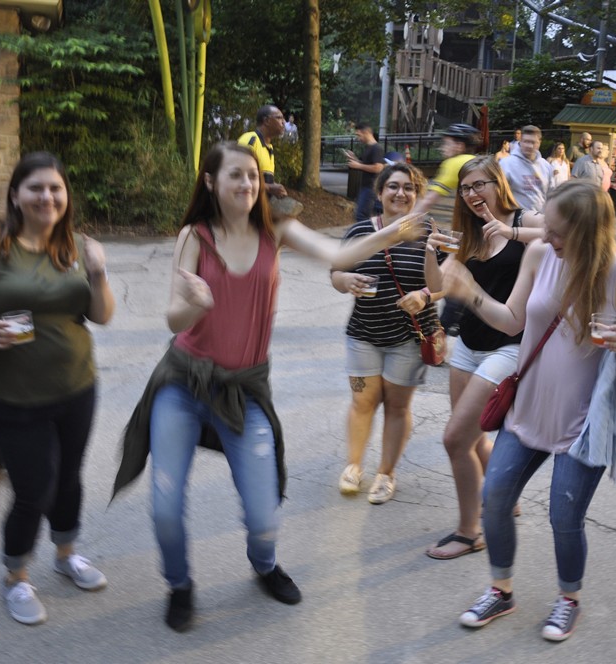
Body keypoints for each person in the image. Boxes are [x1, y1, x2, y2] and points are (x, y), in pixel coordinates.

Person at [112, 143, 424, 632]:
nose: (247, 185)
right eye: (235, 175)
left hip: (245, 389)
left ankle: (264, 564)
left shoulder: (275, 230)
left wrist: (394, 231)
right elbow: (174, 317)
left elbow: (339, 254)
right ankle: (180, 585)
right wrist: (194, 303)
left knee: (264, 515)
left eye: (253, 176)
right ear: (211, 182)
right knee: (165, 508)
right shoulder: (194, 236)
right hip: (184, 384)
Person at [440, 180, 616, 641]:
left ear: (587, 231)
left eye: (557, 230)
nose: (546, 236)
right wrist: (469, 291)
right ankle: (501, 590)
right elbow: (512, 321)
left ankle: (568, 598)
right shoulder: (541, 255)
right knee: (495, 497)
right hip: (528, 408)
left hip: (585, 423)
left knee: (564, 517)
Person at [0, 152, 115, 626]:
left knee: (70, 477)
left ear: (65, 196)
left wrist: (97, 270)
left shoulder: (75, 245)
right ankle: (16, 577)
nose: (47, 197)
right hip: (15, 395)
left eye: (55, 188)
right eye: (36, 188)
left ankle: (66, 554)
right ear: (16, 194)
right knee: (33, 489)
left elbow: (101, 316)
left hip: (77, 384)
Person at [424, 156, 544, 560]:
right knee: (472, 440)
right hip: (469, 346)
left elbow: (562, 231)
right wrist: (430, 252)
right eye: (465, 188)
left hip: (508, 347)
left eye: (480, 185)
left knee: (455, 438)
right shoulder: (470, 233)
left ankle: (469, 531)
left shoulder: (527, 219)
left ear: (498, 183)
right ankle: (503, 493)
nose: (473, 194)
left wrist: (510, 230)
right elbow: (440, 286)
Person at [331, 163, 442, 504]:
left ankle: (386, 474)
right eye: (393, 186)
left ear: (416, 195)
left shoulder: (429, 231)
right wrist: (345, 281)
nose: (400, 193)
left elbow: (444, 283)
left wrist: (424, 295)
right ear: (379, 194)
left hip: (409, 338)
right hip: (364, 333)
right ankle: (354, 466)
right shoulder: (360, 231)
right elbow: (336, 271)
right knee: (362, 401)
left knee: (396, 407)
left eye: (408, 187)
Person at [411, 123, 481, 336]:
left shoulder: (455, 163)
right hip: (491, 232)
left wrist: (400, 225)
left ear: (459, 145)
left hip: (471, 234)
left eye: (447, 142)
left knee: (449, 277)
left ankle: (437, 336)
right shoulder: (479, 162)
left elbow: (427, 202)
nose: (443, 147)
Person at [499, 124, 554, 213]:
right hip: (515, 221)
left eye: (533, 142)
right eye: (526, 141)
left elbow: (551, 195)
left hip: (540, 220)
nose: (529, 146)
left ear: (540, 142)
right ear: (520, 141)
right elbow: (499, 195)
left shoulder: (546, 166)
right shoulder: (506, 164)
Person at [238, 104, 288, 199]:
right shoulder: (250, 140)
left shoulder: (270, 148)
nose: (284, 122)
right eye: (279, 118)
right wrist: (269, 187)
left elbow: (261, 179)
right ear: (267, 121)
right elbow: (238, 177)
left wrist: (275, 189)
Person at [345, 121, 385, 222]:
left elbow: (378, 168)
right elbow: (364, 164)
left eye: (359, 135)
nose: (358, 138)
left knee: (362, 216)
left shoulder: (377, 148)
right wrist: (354, 159)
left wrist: (358, 165)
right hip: (365, 186)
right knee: (362, 215)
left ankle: (366, 236)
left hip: (371, 187)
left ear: (366, 132)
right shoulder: (368, 148)